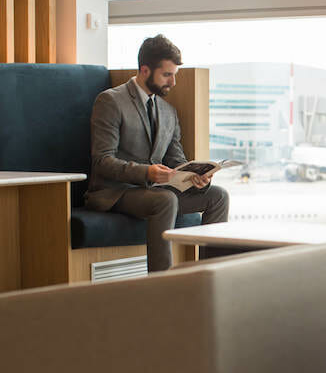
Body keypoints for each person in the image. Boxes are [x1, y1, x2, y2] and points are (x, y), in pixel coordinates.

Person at [85, 34, 229, 272]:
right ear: (144, 70)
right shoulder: (110, 101)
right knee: (165, 199)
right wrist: (147, 173)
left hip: (154, 190)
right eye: (167, 75)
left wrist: (196, 178)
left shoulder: (168, 111)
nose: (172, 83)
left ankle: (211, 275)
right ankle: (161, 285)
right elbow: (102, 160)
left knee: (218, 195)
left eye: (175, 75)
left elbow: (177, 161)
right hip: (115, 192)